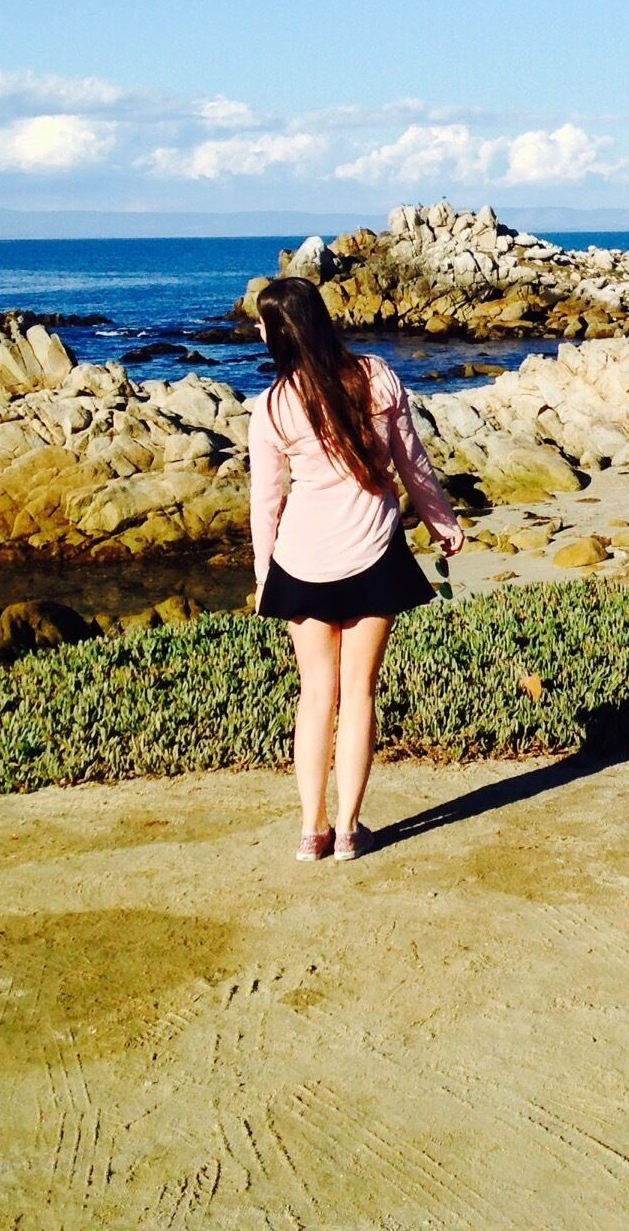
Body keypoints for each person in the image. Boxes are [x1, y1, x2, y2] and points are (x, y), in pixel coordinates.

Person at [248, 275, 464, 862]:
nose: (259, 332)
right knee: (359, 692)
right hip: (373, 554)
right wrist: (441, 522)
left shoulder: (271, 407)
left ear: (279, 334)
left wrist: (265, 575)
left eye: (262, 324)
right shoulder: (376, 377)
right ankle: (347, 831)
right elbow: (412, 461)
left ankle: (310, 831)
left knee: (315, 694)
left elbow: (265, 502)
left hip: (301, 561)